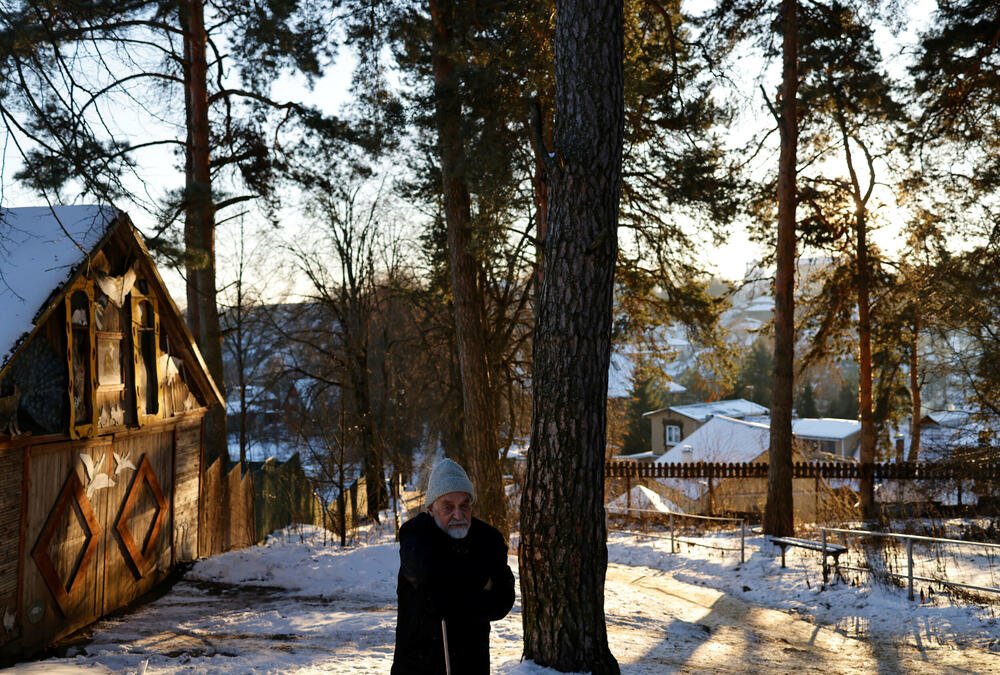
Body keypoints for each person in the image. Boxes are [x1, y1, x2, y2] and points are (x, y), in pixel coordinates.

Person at [391, 458, 515, 674]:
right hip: (418, 665)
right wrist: (480, 584)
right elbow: (427, 580)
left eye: (464, 505)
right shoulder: (416, 534)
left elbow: (503, 601)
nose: (458, 515)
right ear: (431, 509)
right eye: (448, 506)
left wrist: (450, 587)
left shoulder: (489, 539)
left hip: (471, 663)